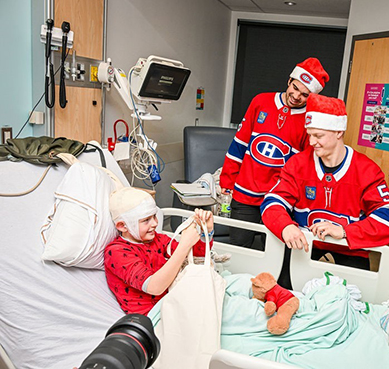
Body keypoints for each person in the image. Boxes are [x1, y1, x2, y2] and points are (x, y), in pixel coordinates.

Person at [261, 94, 389, 270]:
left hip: (349, 252)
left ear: (338, 132)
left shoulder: (366, 170)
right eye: (309, 134)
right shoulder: (297, 164)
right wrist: (285, 226)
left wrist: (344, 231)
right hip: (304, 249)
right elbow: (272, 203)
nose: (312, 142)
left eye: (318, 135)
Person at [220, 57, 330, 249]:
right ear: (289, 81)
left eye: (304, 95)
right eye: (295, 88)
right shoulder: (260, 101)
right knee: (239, 250)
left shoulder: (309, 120)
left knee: (272, 254)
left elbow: (305, 168)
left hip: (278, 201)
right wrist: (227, 181)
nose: (296, 96)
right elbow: (239, 144)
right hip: (245, 196)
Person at [104, 187, 214, 315]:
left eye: (154, 216)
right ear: (123, 226)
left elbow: (197, 255)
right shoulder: (117, 252)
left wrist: (207, 230)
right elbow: (154, 287)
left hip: (175, 298)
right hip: (156, 314)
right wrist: (184, 245)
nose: (155, 223)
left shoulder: (157, 239)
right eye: (146, 220)